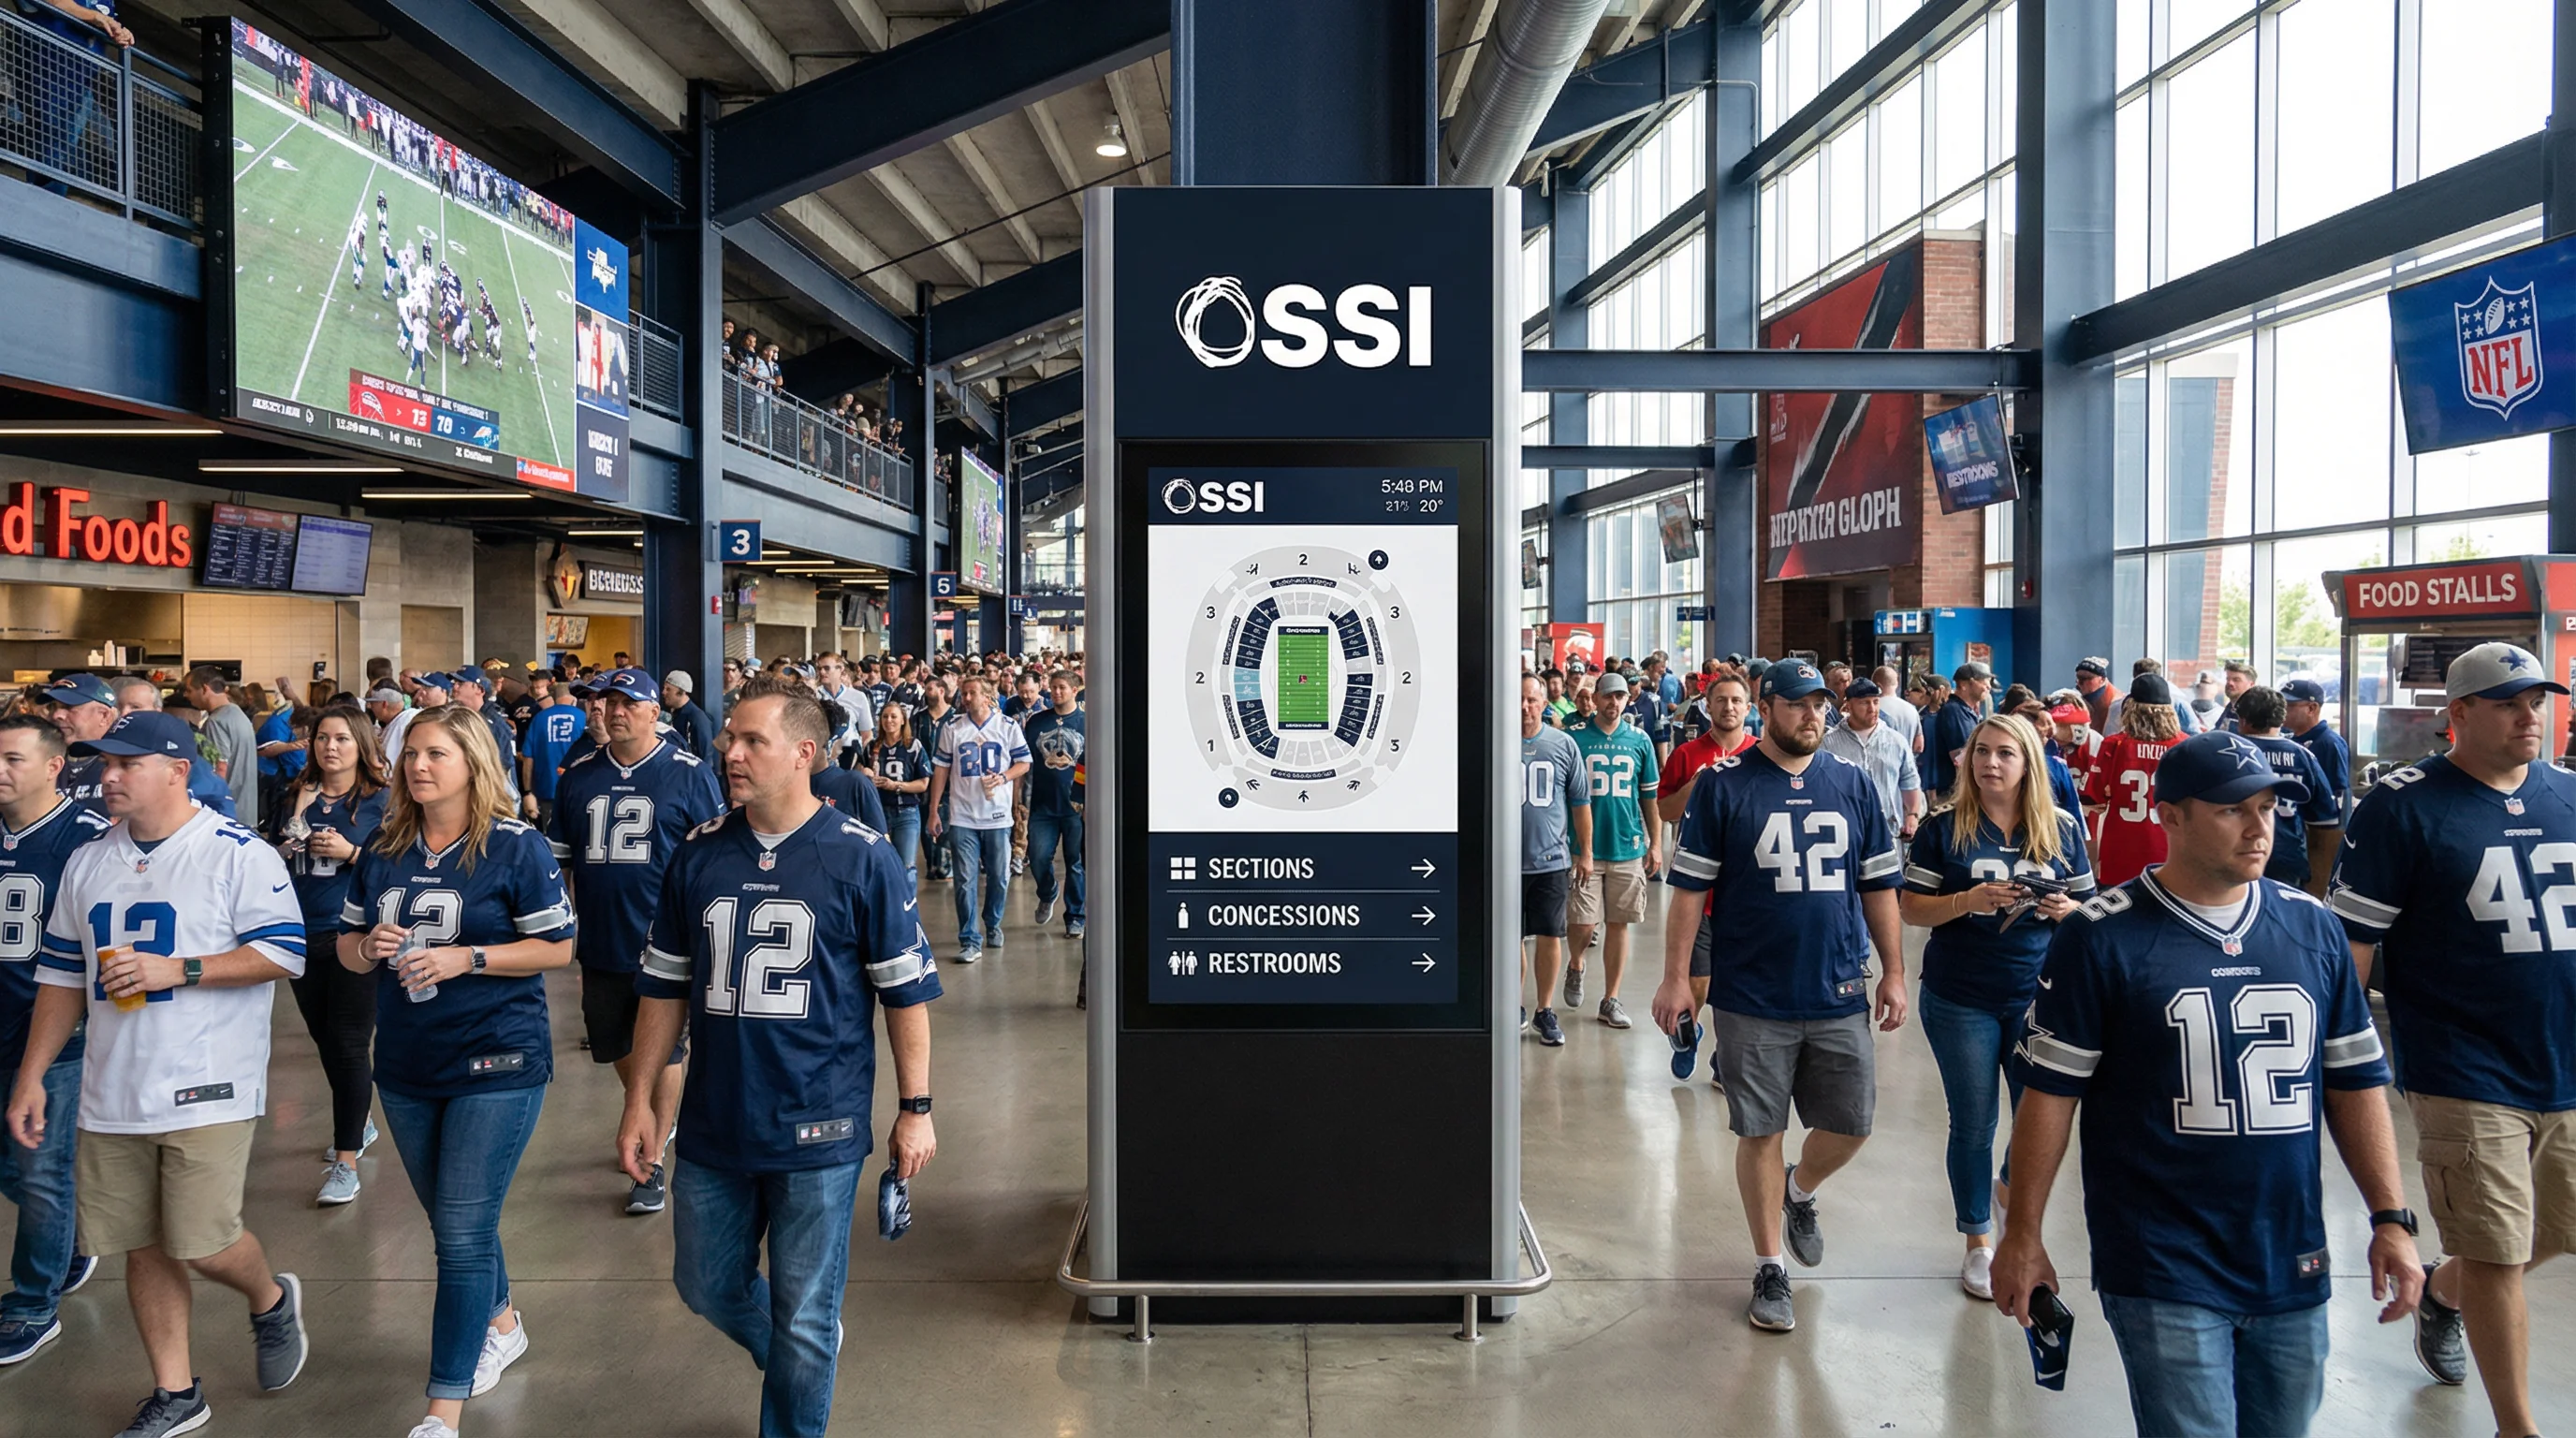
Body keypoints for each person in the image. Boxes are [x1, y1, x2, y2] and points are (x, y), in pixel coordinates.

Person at [1997, 730, 2422, 1438]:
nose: (2260, 829)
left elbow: (2355, 1081)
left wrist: (2390, 1219)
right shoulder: (2102, 936)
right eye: (2232, 811)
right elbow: (2051, 1096)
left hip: (2290, 1253)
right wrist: (2022, 1234)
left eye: (2267, 809)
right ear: (2170, 816)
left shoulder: (2313, 930)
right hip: (2162, 1258)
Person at [622, 688, 939, 1438]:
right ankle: (807, 1350)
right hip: (713, 1121)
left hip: (817, 1126)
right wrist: (640, 1099)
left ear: (805, 753)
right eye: (729, 738)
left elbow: (904, 998)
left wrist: (915, 1110)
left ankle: (800, 1390)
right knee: (704, 1284)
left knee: (805, 1314)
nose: (730, 753)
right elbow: (664, 990)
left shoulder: (863, 858)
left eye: (751, 741)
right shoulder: (698, 853)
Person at [7, 711, 312, 1436]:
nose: (106, 778)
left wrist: (184, 969)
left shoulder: (237, 853)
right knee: (141, 1244)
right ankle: (176, 1392)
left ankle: (269, 1299)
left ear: (176, 771)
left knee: (201, 1242)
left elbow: (283, 953)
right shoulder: (90, 860)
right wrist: (32, 1075)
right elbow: (60, 976)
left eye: (125, 765)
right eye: (103, 764)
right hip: (113, 1091)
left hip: (209, 1082)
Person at [2328, 642, 2575, 1438]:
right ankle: (2518, 1428)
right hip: (2463, 1067)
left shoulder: (2570, 796)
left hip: (2565, 1058)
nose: (2530, 716)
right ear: (2458, 716)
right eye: (2509, 703)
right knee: (2499, 1250)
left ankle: (2444, 1286)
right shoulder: (2404, 807)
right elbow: (2352, 949)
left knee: (2554, 1231)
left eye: (2537, 700)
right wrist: (2341, 1057)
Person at [1651, 659, 1907, 1332]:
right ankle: (1770, 1267)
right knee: (1758, 1129)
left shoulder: (1851, 785)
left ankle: (1801, 1189)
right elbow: (1689, 891)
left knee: (1852, 1123)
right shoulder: (1723, 788)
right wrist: (1677, 976)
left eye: (1821, 705)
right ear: (1767, 708)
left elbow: (1880, 887)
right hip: (1751, 992)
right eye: (1798, 705)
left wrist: (1895, 971)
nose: (1813, 716)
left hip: (1838, 986)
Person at [341, 705, 572, 1438]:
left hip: (498, 1058)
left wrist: (466, 957)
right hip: (408, 1064)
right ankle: (502, 1321)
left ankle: (442, 1410)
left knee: (462, 1234)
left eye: (436, 753)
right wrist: (369, 947)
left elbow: (557, 949)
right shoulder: (382, 846)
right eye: (411, 754)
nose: (418, 766)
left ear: (472, 761)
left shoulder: (516, 848)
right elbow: (345, 950)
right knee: (453, 1215)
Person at [1897, 713, 2092, 1299]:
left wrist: (2065, 914)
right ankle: (1979, 1240)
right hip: (1961, 996)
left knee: (2038, 1121)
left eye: (2005, 753)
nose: (1990, 763)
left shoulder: (2059, 827)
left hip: (2040, 998)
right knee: (1975, 1123)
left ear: (2028, 760)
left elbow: (2090, 911)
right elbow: (1911, 908)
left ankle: (2009, 1195)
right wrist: (1968, 900)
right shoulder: (1944, 829)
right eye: (1982, 752)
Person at [548, 668, 724, 1217]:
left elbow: (714, 857)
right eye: (604, 701)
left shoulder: (689, 774)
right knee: (616, 1046)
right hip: (601, 940)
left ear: (655, 712)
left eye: (626, 702)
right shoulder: (577, 778)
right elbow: (561, 862)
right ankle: (644, 1112)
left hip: (668, 944)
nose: (611, 710)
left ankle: (653, 1150)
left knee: (665, 1047)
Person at [0, 714, 110, 1367]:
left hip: (57, 1036)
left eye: (13, 759)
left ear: (52, 766)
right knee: (19, 1170)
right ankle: (68, 1238)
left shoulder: (86, 840)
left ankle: (32, 1304)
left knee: (40, 1168)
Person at [279, 708, 390, 1208]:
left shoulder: (381, 801)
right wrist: (282, 845)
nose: (331, 747)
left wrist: (351, 852)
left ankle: (346, 1161)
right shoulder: (298, 796)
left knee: (347, 1042)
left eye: (342, 739)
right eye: (323, 738)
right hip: (301, 934)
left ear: (360, 745)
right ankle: (358, 1121)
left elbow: (397, 867)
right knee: (323, 1038)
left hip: (354, 935)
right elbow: (273, 853)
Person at [1562, 672, 1658, 1030]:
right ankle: (1576, 964)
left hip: (1627, 846)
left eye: (1620, 697)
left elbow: (1649, 797)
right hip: (1582, 848)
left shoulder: (1640, 741)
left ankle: (1611, 998)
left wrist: (1656, 844)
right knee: (1583, 922)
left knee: (1619, 924)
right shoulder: (1574, 740)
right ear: (1595, 698)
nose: (1613, 703)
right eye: (1608, 696)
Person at [924, 675, 1029, 965]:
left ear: (987, 696)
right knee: (964, 879)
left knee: (999, 876)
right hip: (963, 816)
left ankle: (993, 922)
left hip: (997, 817)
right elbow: (941, 770)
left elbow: (1024, 762)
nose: (966, 698)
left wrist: (1004, 777)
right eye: (964, 694)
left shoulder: (1007, 727)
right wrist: (934, 810)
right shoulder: (952, 728)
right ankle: (969, 938)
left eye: (972, 694)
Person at [1518, 674, 1589, 1047]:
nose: (1525, 706)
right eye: (1519, 699)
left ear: (1544, 704)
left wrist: (1586, 852)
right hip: (1505, 863)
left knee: (1549, 934)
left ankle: (1545, 1009)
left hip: (1550, 861)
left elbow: (1580, 803)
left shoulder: (1563, 745)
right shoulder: (1495, 740)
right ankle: (1513, 1005)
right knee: (1509, 937)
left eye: (1532, 699)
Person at [2085, 671, 2184, 888]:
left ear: (2131, 709)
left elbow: (2094, 797)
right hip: (2171, 851)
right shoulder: (2185, 747)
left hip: (2122, 852)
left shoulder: (2115, 745)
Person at [2231, 686, 2335, 892]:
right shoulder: (2303, 756)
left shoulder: (2227, 753)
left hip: (2236, 855)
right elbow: (2325, 822)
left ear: (2243, 719)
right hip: (2288, 858)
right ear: (2281, 718)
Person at [112, 679, 240, 818]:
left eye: (135, 707)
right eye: (119, 707)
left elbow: (221, 810)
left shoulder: (184, 759)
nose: (124, 714)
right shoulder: (106, 754)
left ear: (158, 712)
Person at [1021, 669, 1087, 938]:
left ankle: (1075, 915)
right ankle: (1047, 892)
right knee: (1037, 857)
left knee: (1075, 863)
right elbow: (1023, 763)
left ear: (1074, 690)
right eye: (1053, 687)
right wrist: (1020, 800)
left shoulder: (1086, 722)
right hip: (1042, 806)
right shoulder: (1036, 722)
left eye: (1062, 687)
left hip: (1076, 806)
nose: (1056, 692)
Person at [1822, 678, 1922, 850]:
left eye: (1876, 702)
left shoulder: (1896, 741)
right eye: (1864, 703)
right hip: (1845, 835)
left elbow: (1910, 782)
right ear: (1849, 705)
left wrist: (1912, 816)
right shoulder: (1828, 744)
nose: (1872, 708)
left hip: (1889, 835)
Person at [2282, 678, 2349, 891]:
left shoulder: (2328, 743)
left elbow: (2338, 796)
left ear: (2312, 708)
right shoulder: (2291, 742)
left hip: (2320, 834)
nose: (2283, 711)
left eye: (2290, 706)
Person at [861, 705, 931, 885]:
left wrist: (896, 786)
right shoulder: (872, 748)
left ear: (902, 721)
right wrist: (864, 771)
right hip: (878, 813)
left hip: (906, 812)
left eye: (893, 716)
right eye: (885, 716)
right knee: (879, 866)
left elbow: (923, 783)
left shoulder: (912, 746)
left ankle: (908, 907)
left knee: (906, 866)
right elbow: (858, 769)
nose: (889, 721)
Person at [183, 668, 260, 829]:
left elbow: (218, 770)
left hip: (226, 816)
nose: (186, 695)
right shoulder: (237, 714)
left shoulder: (216, 722)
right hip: (246, 811)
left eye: (189, 690)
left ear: (205, 689)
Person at [44, 672, 121, 810]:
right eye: (52, 707)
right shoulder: (41, 760)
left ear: (104, 716)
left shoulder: (126, 763)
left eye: (68, 707)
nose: (56, 715)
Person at [519, 680, 587, 832]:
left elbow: (528, 758)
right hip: (578, 791)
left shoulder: (539, 719)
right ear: (572, 698)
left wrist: (528, 792)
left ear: (553, 698)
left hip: (547, 790)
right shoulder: (583, 717)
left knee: (550, 840)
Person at [445, 670, 520, 804]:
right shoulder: (467, 717)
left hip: (491, 801)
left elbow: (503, 769)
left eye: (460, 683)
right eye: (454, 683)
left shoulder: (492, 724)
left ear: (479, 689)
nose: (454, 687)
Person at [1926, 661, 1990, 799]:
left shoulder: (1967, 711)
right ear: (1964, 684)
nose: (1988, 686)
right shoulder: (1954, 711)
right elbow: (1962, 757)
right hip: (1955, 792)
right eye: (1982, 681)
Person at [812, 653, 874, 762]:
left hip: (850, 754)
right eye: (819, 668)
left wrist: (860, 759)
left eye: (826, 668)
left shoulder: (858, 697)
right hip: (822, 757)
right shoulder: (813, 697)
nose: (822, 672)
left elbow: (867, 734)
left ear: (840, 669)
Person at [662, 670, 716, 760]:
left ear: (681, 692)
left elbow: (705, 756)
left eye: (668, 689)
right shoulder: (673, 714)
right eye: (664, 688)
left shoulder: (697, 718)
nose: (663, 692)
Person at [2075, 656, 2120, 733]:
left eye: (2087, 678)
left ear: (2102, 679)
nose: (2080, 683)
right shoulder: (2076, 695)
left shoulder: (2116, 704)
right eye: (2078, 678)